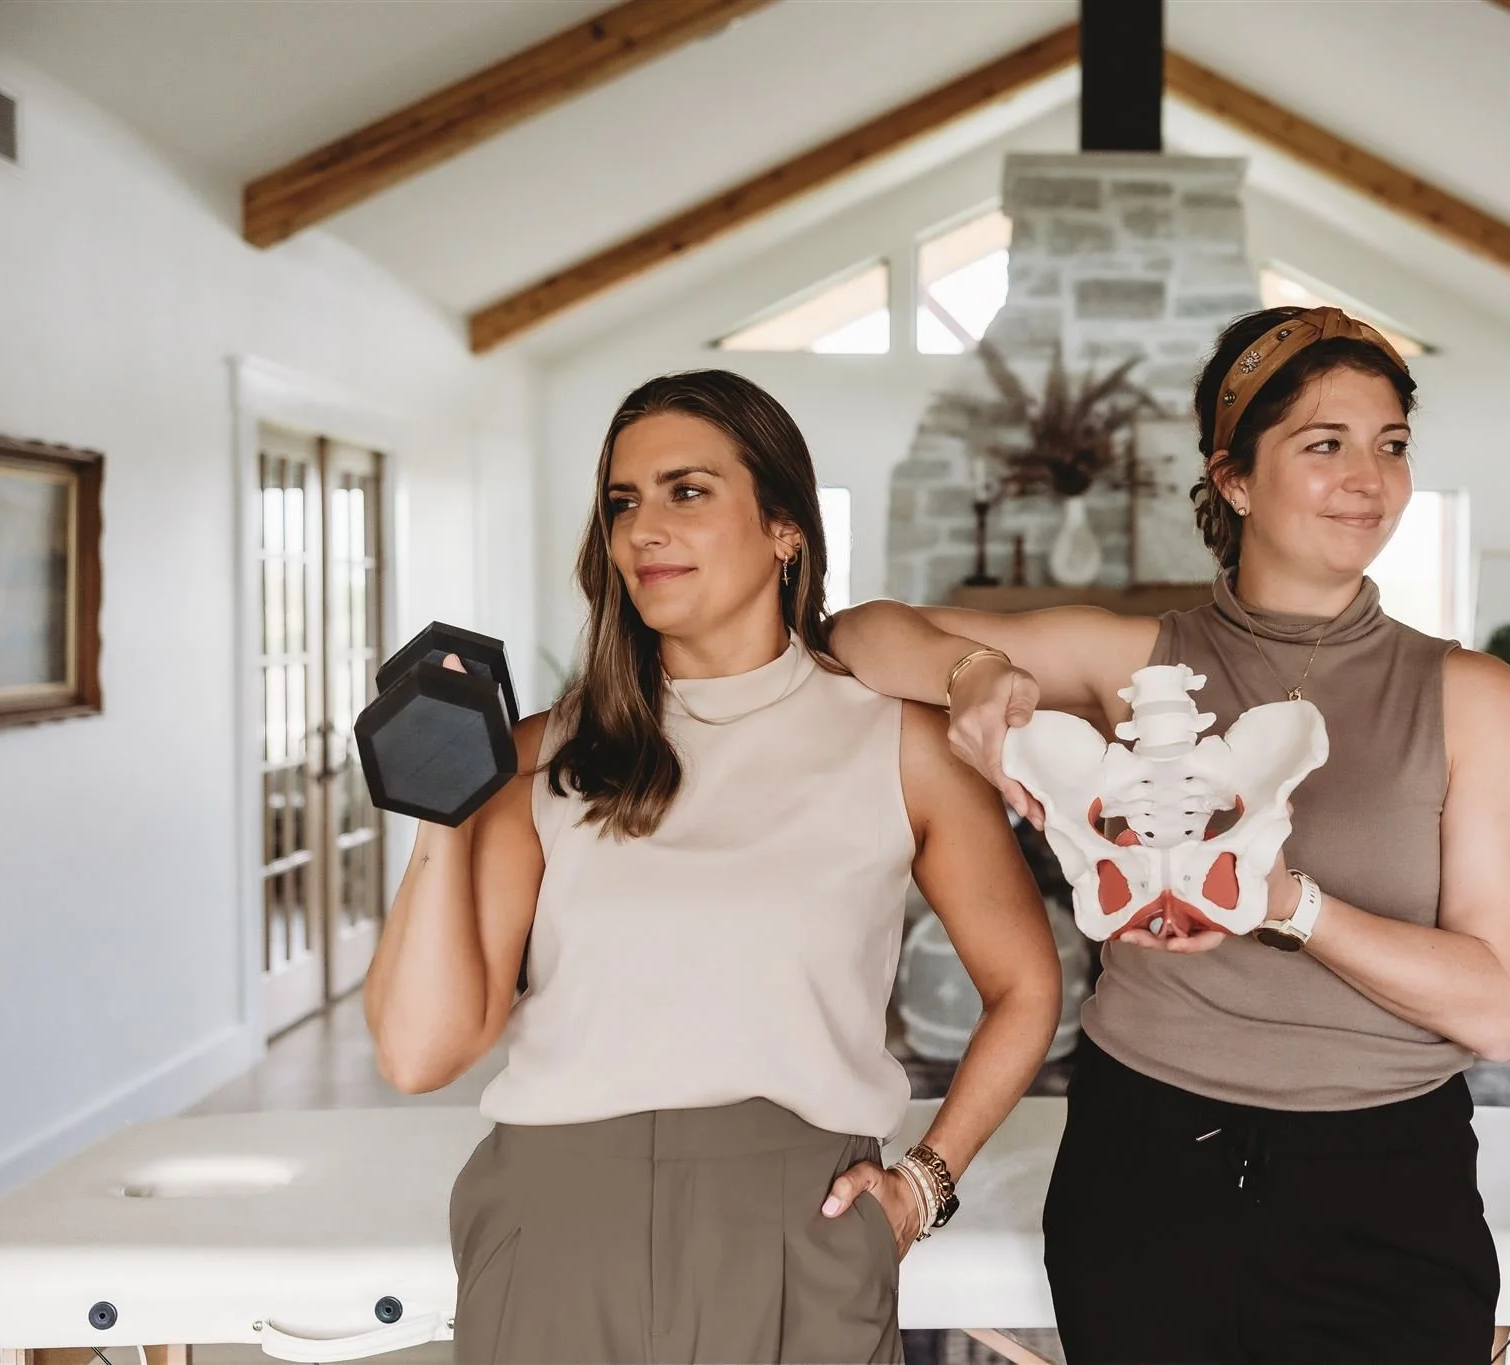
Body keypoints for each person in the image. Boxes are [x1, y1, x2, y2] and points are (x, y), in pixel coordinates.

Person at [830, 306, 1510, 1364]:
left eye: (1390, 445)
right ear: (1231, 480)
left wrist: (1282, 902)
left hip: (1386, 1183)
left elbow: (1494, 1009)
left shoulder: (1469, 697)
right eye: (1324, 445)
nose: (1369, 478)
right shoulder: (1132, 658)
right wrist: (971, 674)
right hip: (1144, 1161)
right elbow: (851, 636)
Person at [363, 370, 1061, 1364]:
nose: (643, 528)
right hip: (554, 1225)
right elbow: (418, 1052)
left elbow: (1024, 985)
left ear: (783, 528)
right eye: (622, 503)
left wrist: (923, 1184)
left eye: (684, 492)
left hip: (798, 1227)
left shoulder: (896, 743)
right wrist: (441, 807)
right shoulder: (542, 752)